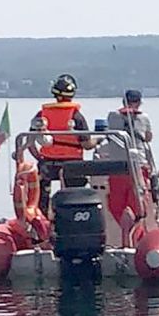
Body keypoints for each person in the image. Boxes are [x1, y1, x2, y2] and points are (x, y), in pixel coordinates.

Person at [29, 74, 97, 215]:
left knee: (42, 195)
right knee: (76, 196)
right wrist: (98, 140)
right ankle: (74, 217)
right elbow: (87, 144)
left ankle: (42, 218)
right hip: (73, 164)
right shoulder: (76, 116)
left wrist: (39, 158)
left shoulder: (42, 114)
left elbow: (30, 142)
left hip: (47, 163)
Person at [108, 89, 153, 170]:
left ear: (124, 102)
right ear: (139, 103)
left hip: (115, 160)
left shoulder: (112, 115)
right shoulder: (143, 117)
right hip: (139, 160)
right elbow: (148, 138)